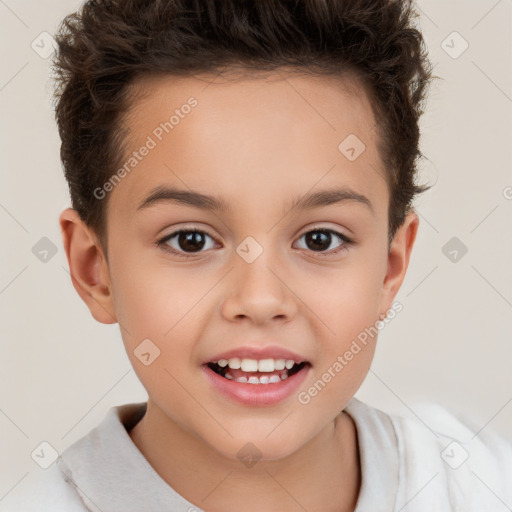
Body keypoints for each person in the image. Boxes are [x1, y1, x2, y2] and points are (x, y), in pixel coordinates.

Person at [3, 0, 511, 510]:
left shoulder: (481, 482)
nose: (261, 299)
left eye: (320, 239)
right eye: (190, 240)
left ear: (390, 266)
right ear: (96, 270)